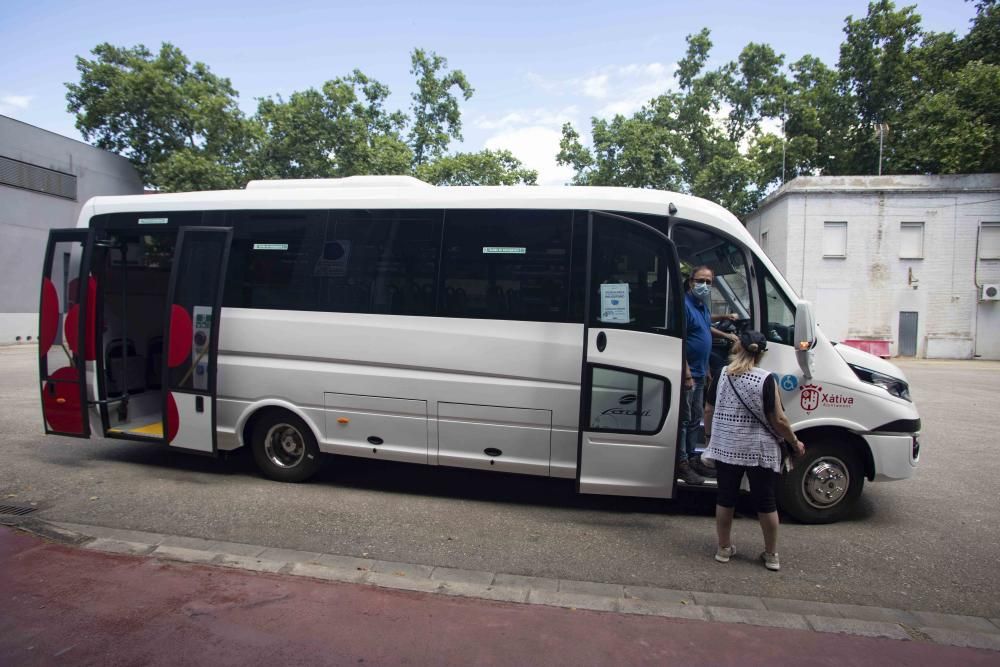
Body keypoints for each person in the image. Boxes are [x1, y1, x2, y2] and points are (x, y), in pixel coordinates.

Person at [702, 331, 806, 571]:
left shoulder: (721, 375)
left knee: (726, 498)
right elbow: (779, 419)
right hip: (759, 449)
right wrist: (794, 442)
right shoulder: (766, 379)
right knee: (766, 501)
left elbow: (708, 409)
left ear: (737, 347)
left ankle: (724, 549)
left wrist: (710, 437)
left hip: (727, 446)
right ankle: (771, 555)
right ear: (762, 354)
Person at [678, 266, 739, 484]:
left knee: (695, 418)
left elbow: (705, 327)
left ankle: (692, 457)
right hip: (688, 374)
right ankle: (681, 463)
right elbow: (681, 341)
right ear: (691, 281)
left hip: (700, 372)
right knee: (684, 420)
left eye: (709, 281)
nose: (704, 285)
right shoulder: (683, 305)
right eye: (700, 280)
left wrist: (726, 333)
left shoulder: (701, 306)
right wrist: (686, 373)